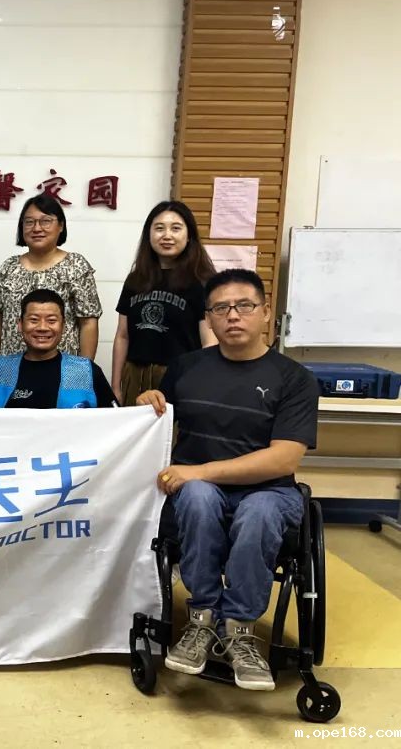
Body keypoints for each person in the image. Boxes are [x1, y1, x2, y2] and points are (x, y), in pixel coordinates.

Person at [136, 268, 319, 692]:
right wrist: (148, 402)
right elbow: (157, 427)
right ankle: (202, 619)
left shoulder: (295, 379)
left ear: (266, 313)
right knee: (198, 497)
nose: (232, 316)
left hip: (270, 492)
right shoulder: (185, 368)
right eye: (221, 309)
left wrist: (197, 471)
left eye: (244, 306)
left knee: (258, 510)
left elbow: (284, 457)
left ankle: (238, 629)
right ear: (209, 318)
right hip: (196, 493)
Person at [112, 200, 217, 405]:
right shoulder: (136, 279)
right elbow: (122, 336)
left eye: (176, 228)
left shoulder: (202, 281)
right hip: (135, 374)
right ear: (149, 235)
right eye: (159, 228)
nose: (167, 235)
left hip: (180, 376)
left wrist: (201, 384)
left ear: (189, 236)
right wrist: (116, 386)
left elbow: (209, 343)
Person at [0, 194, 102, 362]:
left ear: (61, 226)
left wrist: (83, 370)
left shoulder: (76, 266)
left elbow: (88, 323)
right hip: (12, 368)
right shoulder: (9, 267)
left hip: (63, 369)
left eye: (46, 221)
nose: (37, 228)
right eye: (29, 222)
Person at [0, 289, 117, 409]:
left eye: (51, 320)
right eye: (34, 320)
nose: (43, 328)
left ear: (63, 326)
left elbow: (115, 422)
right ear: (20, 324)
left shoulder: (85, 371)